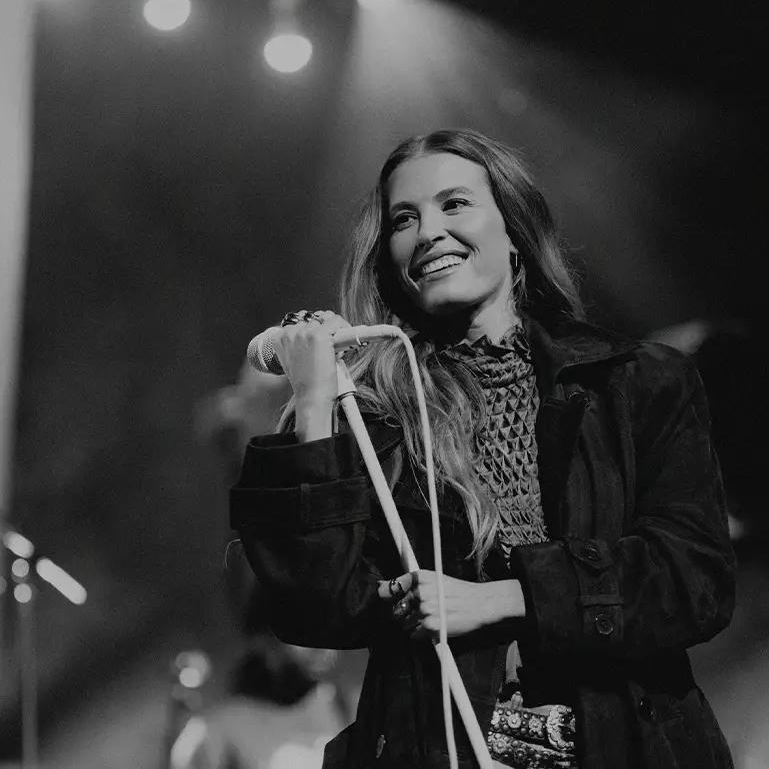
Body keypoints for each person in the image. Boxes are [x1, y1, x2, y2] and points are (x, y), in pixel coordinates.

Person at [229, 128, 736, 769]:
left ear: (513, 228)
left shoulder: (637, 383)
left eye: (455, 204)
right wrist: (313, 405)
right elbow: (318, 610)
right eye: (404, 219)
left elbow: (694, 578)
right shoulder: (378, 414)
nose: (428, 232)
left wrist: (502, 599)